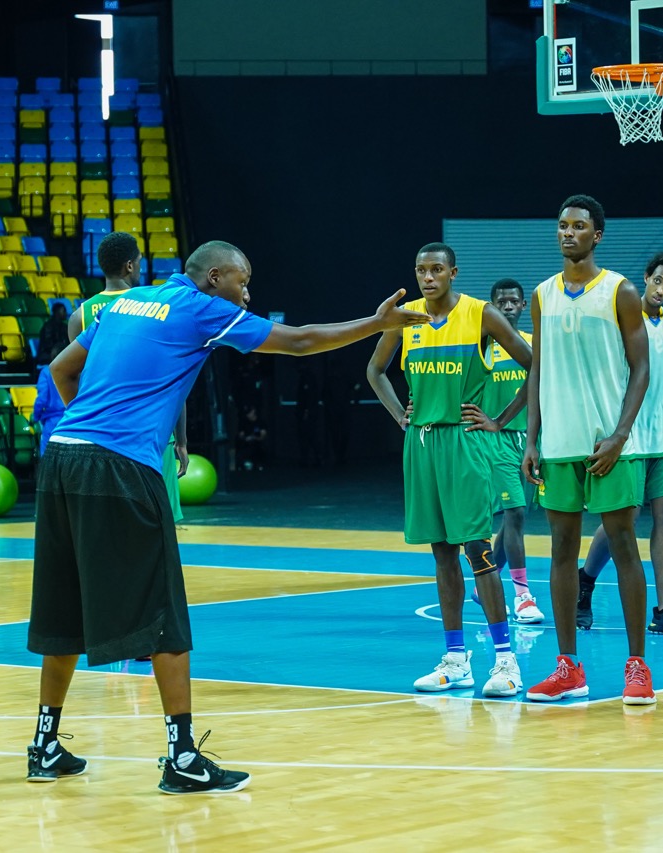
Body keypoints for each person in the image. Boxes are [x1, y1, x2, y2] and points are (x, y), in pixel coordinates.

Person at [27, 240, 428, 791]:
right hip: (120, 466)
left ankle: (45, 747)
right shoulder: (202, 308)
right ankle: (182, 758)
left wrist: (91, 423)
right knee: (163, 611)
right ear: (214, 278)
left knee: (64, 609)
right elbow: (300, 341)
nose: (248, 293)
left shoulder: (128, 302)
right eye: (243, 281)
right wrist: (373, 323)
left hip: (63, 458)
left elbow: (59, 368)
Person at [366, 243, 533, 699]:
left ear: (453, 272)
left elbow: (534, 365)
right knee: (441, 552)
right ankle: (456, 659)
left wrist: (500, 419)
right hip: (422, 444)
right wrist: (401, 414)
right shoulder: (406, 318)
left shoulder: (480, 314)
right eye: (421, 270)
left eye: (436, 269)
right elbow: (375, 370)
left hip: (466, 443)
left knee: (478, 551)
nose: (428, 277)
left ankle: (506, 660)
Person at [520, 195, 655, 706]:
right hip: (558, 442)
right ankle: (568, 667)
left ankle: (638, 666)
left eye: (578, 226)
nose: (568, 233)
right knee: (560, 550)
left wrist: (621, 433)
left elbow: (642, 367)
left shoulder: (620, 291)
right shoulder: (542, 294)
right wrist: (531, 439)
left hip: (609, 442)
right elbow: (538, 370)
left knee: (622, 545)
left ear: (597, 235)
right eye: (562, 226)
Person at [576, 252, 663, 636]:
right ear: (646, 276)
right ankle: (584, 581)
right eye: (657, 281)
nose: (661, 290)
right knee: (624, 517)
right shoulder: (620, 317)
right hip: (628, 432)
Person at [68, 232, 190, 517]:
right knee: (159, 524)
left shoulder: (80, 316)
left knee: (113, 524)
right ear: (131, 266)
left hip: (101, 436)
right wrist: (181, 440)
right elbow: (175, 383)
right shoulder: (158, 305)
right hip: (151, 432)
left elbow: (72, 376)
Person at [481, 278, 543, 624]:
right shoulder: (483, 346)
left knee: (515, 517)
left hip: (531, 439)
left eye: (513, 301)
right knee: (515, 513)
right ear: (492, 306)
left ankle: (484, 583)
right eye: (501, 301)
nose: (507, 306)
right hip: (496, 439)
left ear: (522, 306)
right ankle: (522, 596)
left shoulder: (533, 345)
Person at [32, 343, 66, 456]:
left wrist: (35, 417)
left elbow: (42, 399)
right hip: (72, 420)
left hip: (52, 422)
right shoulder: (77, 371)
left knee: (47, 459)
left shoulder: (47, 372)